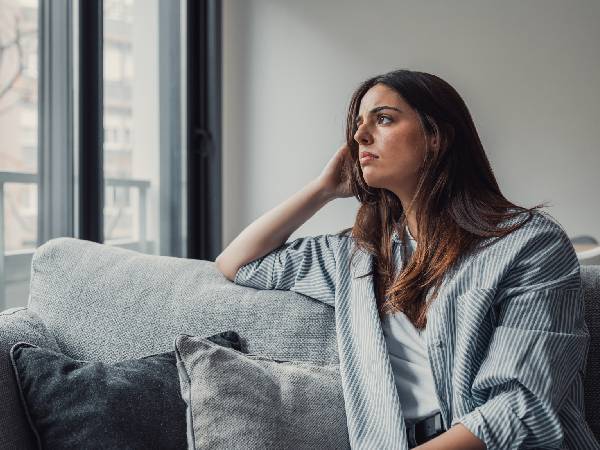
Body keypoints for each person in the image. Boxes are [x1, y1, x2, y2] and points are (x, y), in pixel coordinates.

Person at [215, 69, 599, 450]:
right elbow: (239, 262)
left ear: (436, 137)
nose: (360, 136)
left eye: (383, 119)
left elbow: (520, 408)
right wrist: (323, 190)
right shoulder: (359, 256)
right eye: (358, 124)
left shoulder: (529, 245)